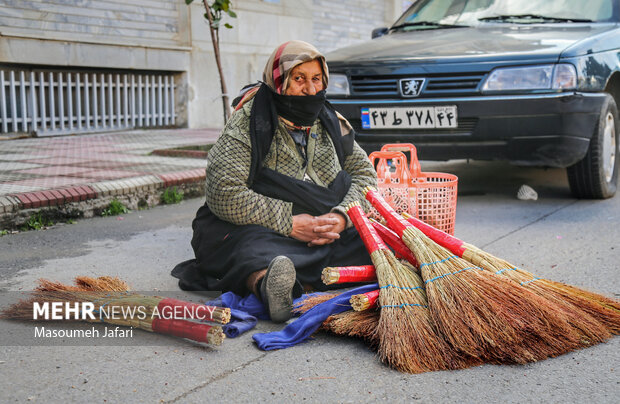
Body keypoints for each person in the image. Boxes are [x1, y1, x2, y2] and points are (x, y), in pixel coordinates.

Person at [172, 40, 377, 322]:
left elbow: (365, 176)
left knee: (375, 242)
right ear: (279, 81)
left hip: (326, 229)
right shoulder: (249, 122)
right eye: (299, 79)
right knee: (250, 250)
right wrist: (289, 223)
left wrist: (342, 217)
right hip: (265, 230)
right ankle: (269, 284)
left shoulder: (330, 120)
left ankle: (303, 281)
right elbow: (223, 193)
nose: (310, 89)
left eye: (316, 79)